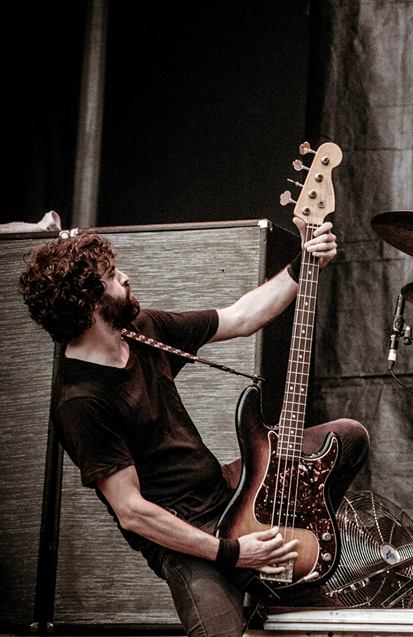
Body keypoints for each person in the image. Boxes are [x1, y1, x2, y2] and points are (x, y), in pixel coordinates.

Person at [17, 219, 369, 636]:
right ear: (89, 301)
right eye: (111, 276)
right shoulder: (81, 401)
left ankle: (295, 532)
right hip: (182, 536)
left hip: (225, 491)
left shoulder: (143, 331)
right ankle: (254, 582)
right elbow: (132, 512)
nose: (125, 277)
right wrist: (232, 553)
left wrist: (303, 262)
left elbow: (241, 317)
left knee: (348, 437)